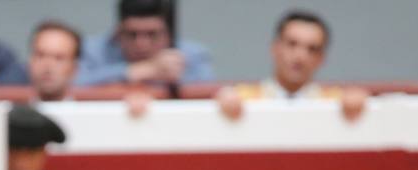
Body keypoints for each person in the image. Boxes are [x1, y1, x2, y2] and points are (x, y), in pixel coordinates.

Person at [216, 10, 367, 122]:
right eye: (292, 44)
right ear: (275, 48)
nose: (300, 56)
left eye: (312, 49)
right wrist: (222, 102)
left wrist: (361, 104)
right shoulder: (243, 99)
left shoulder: (337, 102)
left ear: (321, 59)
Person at [77, 0, 212, 88]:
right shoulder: (91, 50)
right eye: (132, 34)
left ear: (169, 34)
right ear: (117, 32)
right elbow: (69, 85)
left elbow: (207, 92)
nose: (142, 44)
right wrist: (133, 71)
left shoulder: (192, 54)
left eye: (152, 34)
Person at [28, 20, 82, 102]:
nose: (48, 65)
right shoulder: (7, 113)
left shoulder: (85, 114)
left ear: (74, 68)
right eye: (41, 55)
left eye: (58, 58)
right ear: (31, 61)